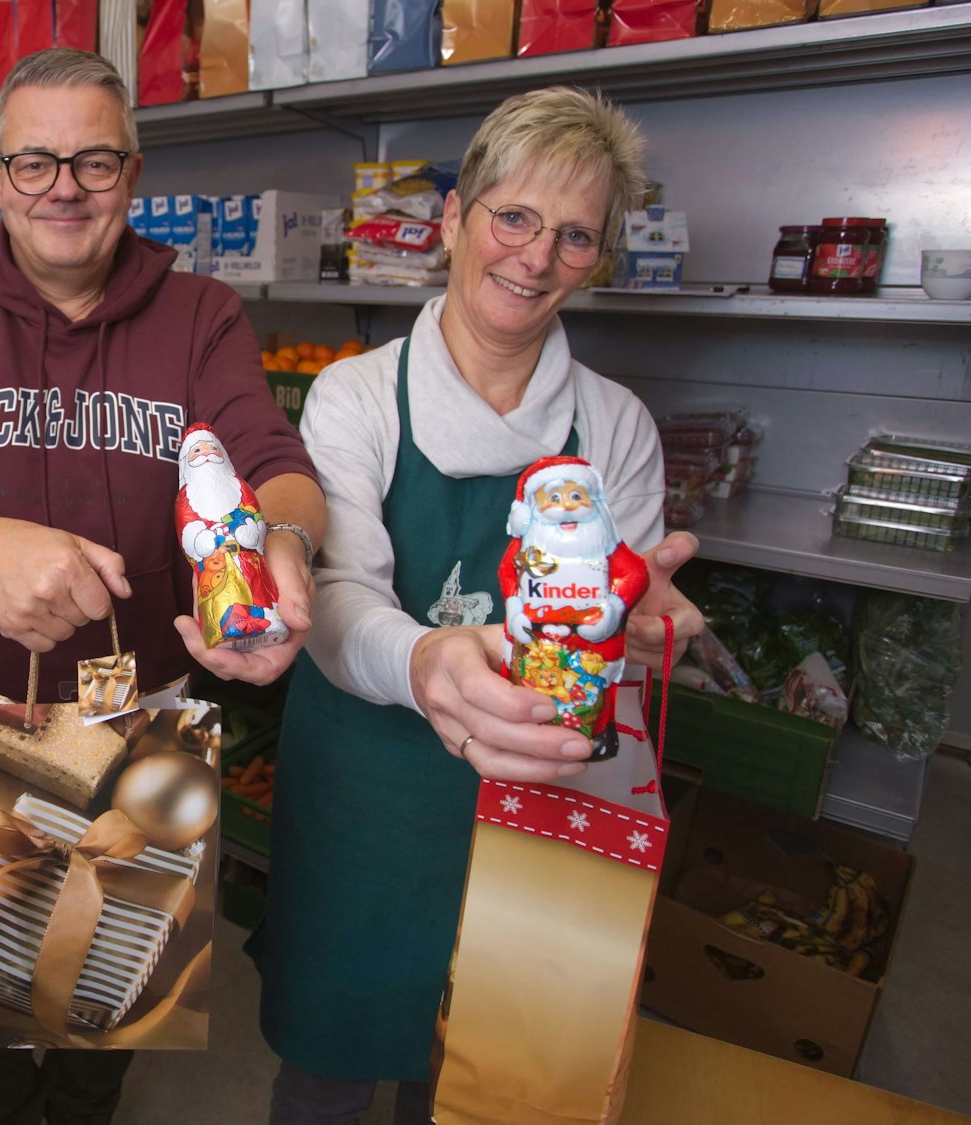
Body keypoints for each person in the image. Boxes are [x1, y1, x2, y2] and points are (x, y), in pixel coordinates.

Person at [0, 47, 324, 1125]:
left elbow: (271, 461)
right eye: (33, 161)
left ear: (132, 176)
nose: (62, 189)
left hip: (146, 720)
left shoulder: (199, 314)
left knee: (113, 996)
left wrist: (285, 552)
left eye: (92, 162)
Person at [253, 88, 704, 1124]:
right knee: (326, 1064)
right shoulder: (358, 397)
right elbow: (334, 599)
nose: (534, 258)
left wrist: (639, 633)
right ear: (455, 218)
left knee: (474, 1073)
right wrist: (424, 664)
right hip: (366, 801)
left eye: (573, 235)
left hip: (538, 797)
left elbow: (616, 630)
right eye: (512, 217)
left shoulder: (614, 426)